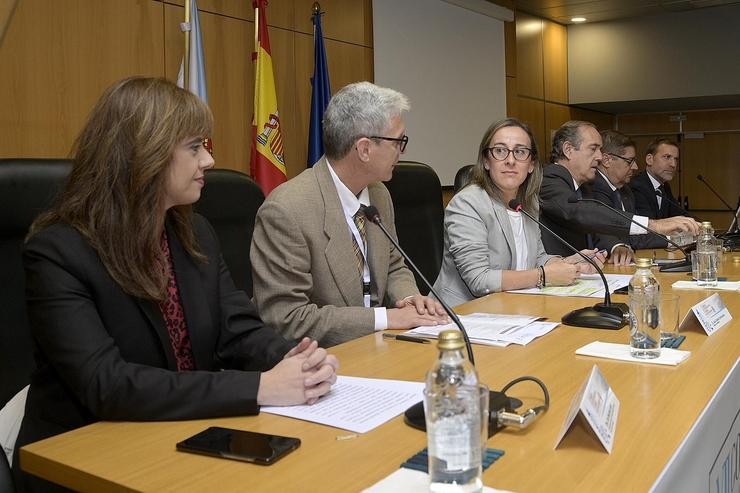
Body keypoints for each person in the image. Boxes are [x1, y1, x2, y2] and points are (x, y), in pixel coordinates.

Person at [13, 77, 338, 492]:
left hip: (182, 437)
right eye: (194, 147)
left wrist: (295, 359)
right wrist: (261, 387)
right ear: (144, 154)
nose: (209, 161)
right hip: (84, 459)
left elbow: (236, 329)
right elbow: (107, 384)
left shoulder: (194, 233)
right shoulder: (58, 251)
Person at [251, 81, 448, 347]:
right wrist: (386, 318)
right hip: (323, 359)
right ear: (364, 149)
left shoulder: (379, 194)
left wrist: (410, 300)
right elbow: (287, 318)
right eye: (398, 141)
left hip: (381, 347)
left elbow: (393, 267)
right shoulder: (287, 210)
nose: (402, 151)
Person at [432, 118, 604, 307]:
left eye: (520, 152)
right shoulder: (468, 203)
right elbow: (479, 280)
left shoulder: (527, 203)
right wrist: (544, 276)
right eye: (500, 151)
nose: (511, 160)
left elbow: (537, 258)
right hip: (462, 314)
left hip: (511, 308)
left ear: (531, 164)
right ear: (486, 161)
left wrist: (571, 263)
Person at [538, 121, 700, 258]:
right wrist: (653, 225)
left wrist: (616, 246)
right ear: (568, 150)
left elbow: (596, 228)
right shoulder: (549, 178)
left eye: (600, 150)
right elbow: (578, 213)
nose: (600, 157)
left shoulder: (584, 187)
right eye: (593, 149)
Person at [591, 130, 669, 264]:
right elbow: (602, 232)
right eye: (630, 161)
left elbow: (635, 233)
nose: (636, 167)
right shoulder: (594, 188)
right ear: (606, 160)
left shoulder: (625, 190)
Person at [629, 138, 686, 219]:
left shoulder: (664, 186)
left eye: (675, 159)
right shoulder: (636, 186)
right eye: (667, 157)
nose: (673, 164)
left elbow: (679, 214)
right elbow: (649, 224)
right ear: (649, 160)